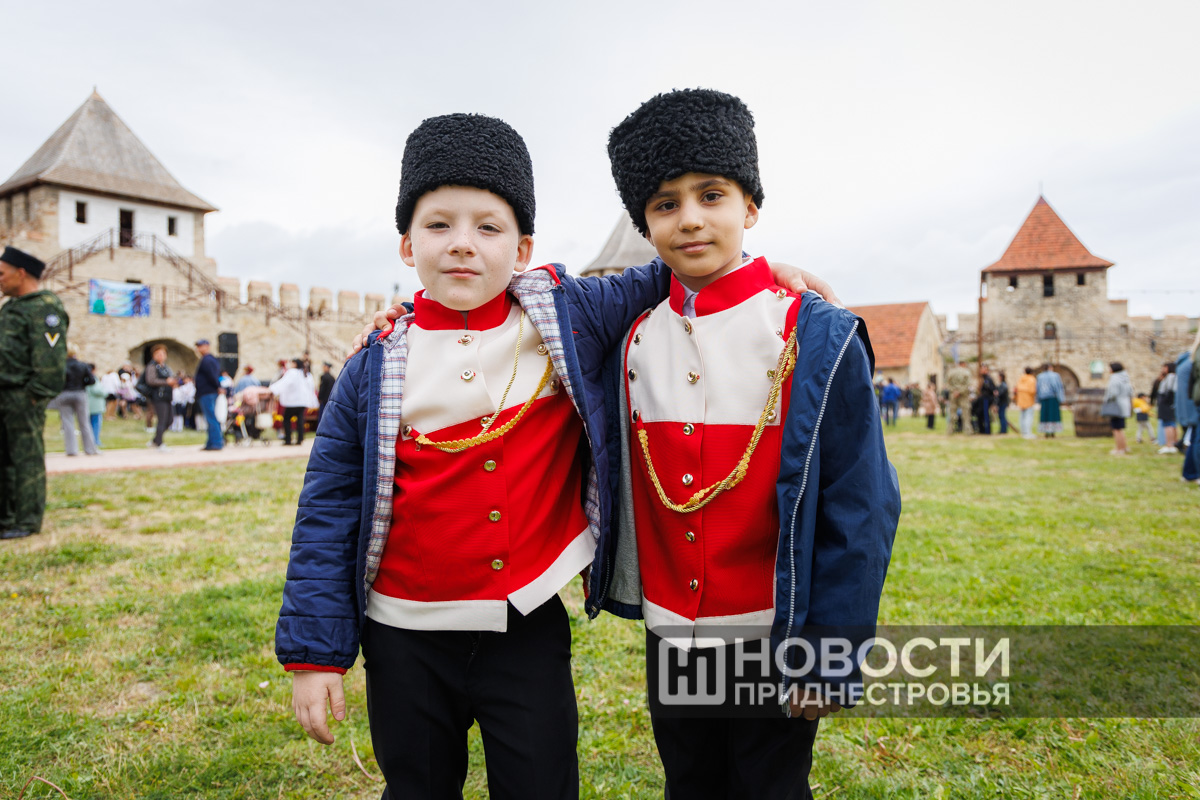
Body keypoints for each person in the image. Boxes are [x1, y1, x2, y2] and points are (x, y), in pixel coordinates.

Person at [278, 112, 829, 798]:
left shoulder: (570, 318)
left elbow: (671, 270)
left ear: (523, 246)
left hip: (527, 624)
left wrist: (761, 266)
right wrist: (314, 655)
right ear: (405, 244)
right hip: (404, 633)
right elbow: (328, 508)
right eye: (438, 224)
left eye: (488, 226)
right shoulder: (374, 364)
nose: (462, 246)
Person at [601, 88, 900, 799]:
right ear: (645, 225)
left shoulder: (814, 334)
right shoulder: (632, 338)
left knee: (771, 786)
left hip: (776, 634)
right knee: (691, 782)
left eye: (712, 194)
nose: (692, 218)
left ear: (751, 207)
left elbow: (861, 507)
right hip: (673, 633)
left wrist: (830, 654)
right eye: (666, 204)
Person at [0, 246, 69, 540]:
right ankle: (6, 517)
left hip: (21, 395)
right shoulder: (11, 307)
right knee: (4, 458)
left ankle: (27, 520)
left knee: (25, 457)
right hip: (4, 393)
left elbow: (51, 363)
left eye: (2, 274)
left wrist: (33, 396)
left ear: (21, 273)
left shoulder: (45, 308)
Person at [54, 347, 100, 456]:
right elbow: (92, 380)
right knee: (84, 422)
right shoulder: (82, 365)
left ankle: (71, 450)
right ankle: (90, 449)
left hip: (64, 393)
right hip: (79, 393)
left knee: (67, 422)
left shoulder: (61, 365)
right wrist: (82, 384)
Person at [269, 358, 316, 445]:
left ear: (295, 364)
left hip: (292, 401)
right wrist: (312, 400)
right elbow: (311, 387)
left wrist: (272, 389)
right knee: (300, 420)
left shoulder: (292, 373)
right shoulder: (306, 374)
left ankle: (288, 439)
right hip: (302, 401)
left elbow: (284, 383)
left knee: (286, 419)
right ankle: (300, 439)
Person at [143, 344, 177, 450]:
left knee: (170, 419)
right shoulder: (152, 366)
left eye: (163, 353)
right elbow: (151, 380)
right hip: (158, 396)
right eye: (158, 353)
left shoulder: (166, 368)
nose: (161, 356)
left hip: (167, 396)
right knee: (162, 419)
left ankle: (155, 440)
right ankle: (159, 443)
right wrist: (166, 382)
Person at [194, 339, 223, 451]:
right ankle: (211, 442)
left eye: (201, 346)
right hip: (208, 391)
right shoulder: (207, 360)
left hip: (208, 392)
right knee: (210, 417)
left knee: (211, 417)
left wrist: (217, 386)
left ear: (207, 346)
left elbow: (212, 375)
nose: (199, 349)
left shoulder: (208, 360)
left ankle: (216, 442)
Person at [1100, 361, 1133, 455]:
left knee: (1116, 428)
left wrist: (1106, 400)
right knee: (1120, 428)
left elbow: (1113, 393)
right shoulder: (1125, 378)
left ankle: (1119, 449)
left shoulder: (1114, 378)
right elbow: (1130, 391)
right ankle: (1124, 447)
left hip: (1116, 405)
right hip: (1124, 404)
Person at [1036, 364, 1066, 438]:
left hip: (1043, 398)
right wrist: (1061, 398)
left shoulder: (1040, 376)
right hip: (1053, 397)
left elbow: (1038, 388)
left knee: (1045, 415)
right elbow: (1057, 386)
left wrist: (1038, 399)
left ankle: (1046, 432)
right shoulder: (1055, 375)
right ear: (1050, 368)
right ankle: (1052, 432)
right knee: (1052, 415)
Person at [945, 360, 972, 434]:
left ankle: (950, 430)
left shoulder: (951, 372)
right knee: (965, 413)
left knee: (952, 413)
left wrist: (954, 391)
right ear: (963, 364)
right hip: (963, 395)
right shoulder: (966, 372)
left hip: (953, 395)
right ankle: (967, 430)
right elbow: (968, 384)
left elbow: (947, 384)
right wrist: (960, 391)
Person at [1157, 361, 1179, 455]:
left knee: (1168, 425)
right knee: (1172, 424)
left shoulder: (1170, 376)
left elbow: (1170, 390)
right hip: (1170, 403)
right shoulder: (1174, 376)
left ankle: (1169, 445)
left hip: (1167, 404)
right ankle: (1174, 443)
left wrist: (1164, 401)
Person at [85, 363, 106, 448]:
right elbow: (97, 390)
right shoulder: (92, 378)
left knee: (89, 424)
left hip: (88, 403)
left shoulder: (84, 378)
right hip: (95, 404)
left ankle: (90, 441)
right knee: (96, 423)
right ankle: (95, 440)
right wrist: (105, 393)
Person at [1015, 367, 1038, 439]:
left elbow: (1017, 388)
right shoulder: (1032, 379)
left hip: (1021, 400)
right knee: (1028, 417)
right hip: (1028, 400)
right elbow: (1033, 390)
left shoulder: (1021, 379)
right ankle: (1027, 433)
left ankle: (1023, 431)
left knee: (1022, 417)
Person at [977, 364, 996, 435]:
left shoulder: (987, 379)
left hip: (986, 398)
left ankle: (987, 431)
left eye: (982, 369)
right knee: (982, 414)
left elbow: (991, 388)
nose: (980, 371)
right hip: (985, 398)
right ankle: (983, 430)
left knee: (986, 415)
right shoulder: (985, 378)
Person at [996, 370, 1012, 434]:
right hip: (1002, 402)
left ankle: (1003, 430)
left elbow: (1000, 393)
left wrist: (997, 393)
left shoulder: (1003, 385)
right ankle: (1002, 429)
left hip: (1003, 403)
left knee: (1002, 416)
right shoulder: (1002, 384)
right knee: (1001, 416)